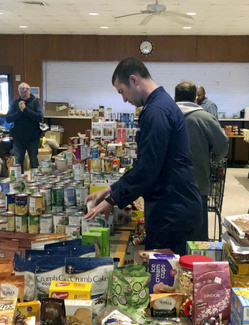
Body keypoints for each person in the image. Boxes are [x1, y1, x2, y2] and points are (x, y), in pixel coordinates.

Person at [85, 58, 201, 255]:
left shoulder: (157, 111)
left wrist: (113, 200)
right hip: (172, 203)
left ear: (133, 80)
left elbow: (147, 169)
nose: (123, 99)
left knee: (165, 280)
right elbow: (146, 164)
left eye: (122, 91)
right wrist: (110, 189)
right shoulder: (159, 104)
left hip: (171, 209)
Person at [175, 81, 229, 241]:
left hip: (169, 183)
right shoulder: (205, 118)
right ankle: (196, 260)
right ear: (196, 98)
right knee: (197, 230)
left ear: (175, 97)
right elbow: (222, 145)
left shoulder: (164, 115)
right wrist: (212, 158)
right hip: (197, 181)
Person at [5, 82, 44, 169]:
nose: (24, 93)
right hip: (18, 138)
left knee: (34, 161)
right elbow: (8, 118)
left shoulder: (36, 102)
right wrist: (20, 111)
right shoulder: (15, 103)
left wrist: (26, 109)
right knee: (18, 161)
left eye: (26, 90)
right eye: (21, 91)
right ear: (19, 92)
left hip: (33, 137)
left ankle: (35, 181)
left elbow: (39, 117)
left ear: (29, 90)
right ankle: (20, 181)